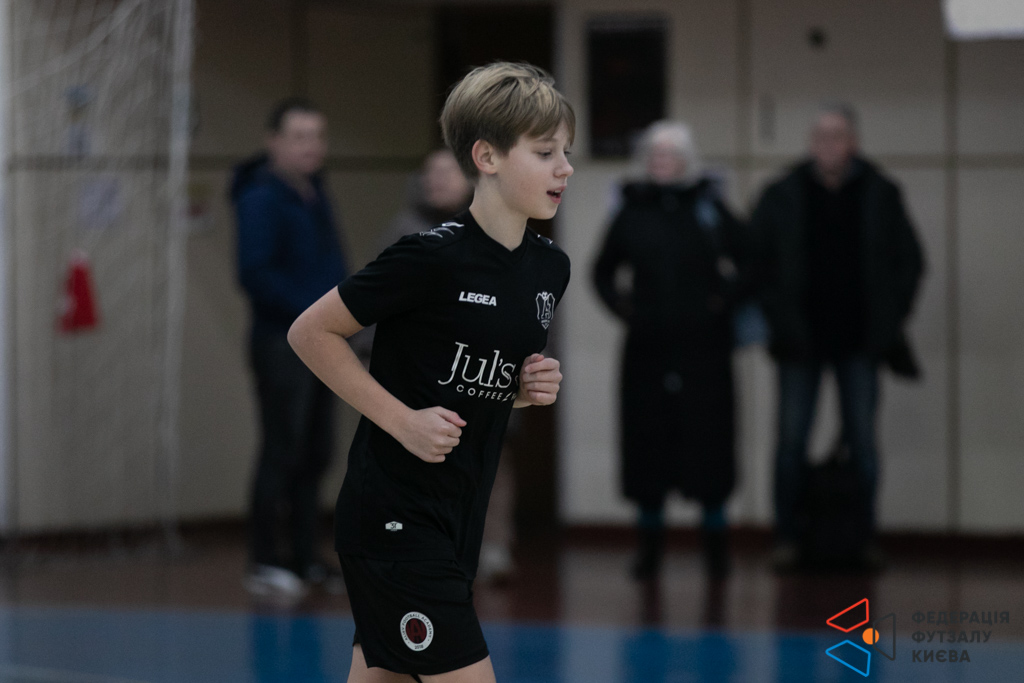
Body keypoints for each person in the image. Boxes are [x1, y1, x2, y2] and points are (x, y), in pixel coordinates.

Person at [287, 62, 573, 682]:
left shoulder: (549, 269)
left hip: (460, 517)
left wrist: (521, 392)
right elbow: (309, 333)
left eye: (567, 153)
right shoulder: (428, 256)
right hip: (394, 517)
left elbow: (460, 381)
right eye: (545, 152)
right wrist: (402, 422)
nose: (564, 168)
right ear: (487, 157)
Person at [750, 104, 924, 571]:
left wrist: (890, 320)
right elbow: (755, 261)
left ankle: (863, 539)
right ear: (811, 143)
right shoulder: (782, 193)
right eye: (821, 136)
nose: (828, 144)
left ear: (854, 143)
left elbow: (909, 261)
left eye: (838, 136)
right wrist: (777, 318)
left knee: (863, 443)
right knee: (790, 443)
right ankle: (787, 538)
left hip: (860, 341)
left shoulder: (881, 192)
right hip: (798, 341)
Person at [592, 120, 748, 581]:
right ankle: (649, 550)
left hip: (706, 352)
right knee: (648, 449)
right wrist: (626, 309)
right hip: (647, 351)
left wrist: (721, 304)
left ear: (686, 161)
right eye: (655, 154)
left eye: (671, 154)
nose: (662, 162)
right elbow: (602, 272)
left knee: (710, 447)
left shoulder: (709, 206)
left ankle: (717, 551)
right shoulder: (630, 209)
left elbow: (753, 260)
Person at [231, 97, 348, 597]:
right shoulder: (260, 197)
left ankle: (305, 556)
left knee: (316, 452)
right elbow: (255, 274)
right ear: (273, 141)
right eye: (300, 136)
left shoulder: (316, 193)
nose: (311, 147)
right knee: (282, 448)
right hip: (281, 343)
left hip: (324, 343)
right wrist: (315, 314)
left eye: (318, 136)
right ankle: (264, 559)